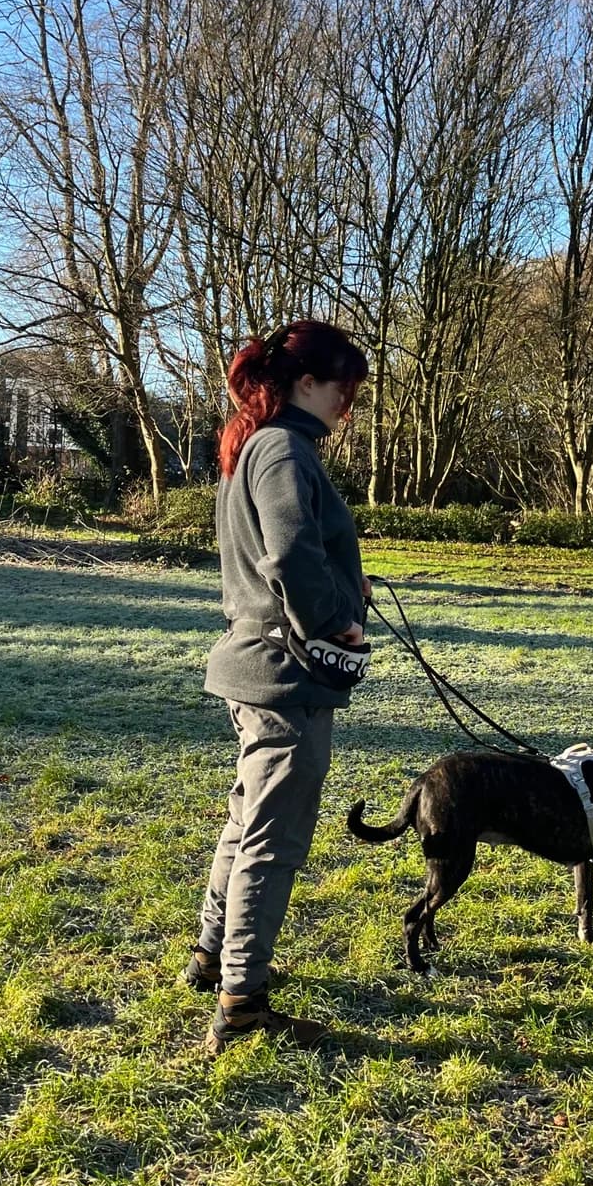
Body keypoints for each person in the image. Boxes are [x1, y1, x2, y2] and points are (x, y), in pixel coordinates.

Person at [183, 320, 370, 1055]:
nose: (346, 406)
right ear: (304, 383)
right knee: (273, 837)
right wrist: (333, 625)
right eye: (342, 389)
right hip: (284, 675)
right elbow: (290, 553)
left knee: (245, 821)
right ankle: (243, 1001)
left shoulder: (257, 446)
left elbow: (287, 550)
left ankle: (209, 957)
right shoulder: (283, 448)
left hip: (254, 664)